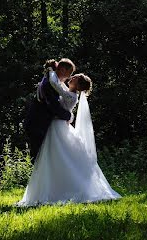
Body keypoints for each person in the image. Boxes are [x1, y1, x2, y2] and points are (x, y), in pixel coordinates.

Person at [18, 69, 121, 206]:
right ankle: (56, 187)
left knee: (59, 156)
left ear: (78, 86)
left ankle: (67, 188)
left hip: (58, 126)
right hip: (56, 126)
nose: (71, 77)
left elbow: (58, 91)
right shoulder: (68, 91)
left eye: (75, 78)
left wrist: (50, 76)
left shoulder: (71, 96)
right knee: (53, 157)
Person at [23, 58, 76, 160]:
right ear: (62, 70)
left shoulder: (53, 81)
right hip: (38, 125)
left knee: (44, 158)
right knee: (39, 158)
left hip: (41, 124)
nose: (69, 77)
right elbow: (54, 106)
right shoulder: (50, 83)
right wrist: (69, 116)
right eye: (69, 73)